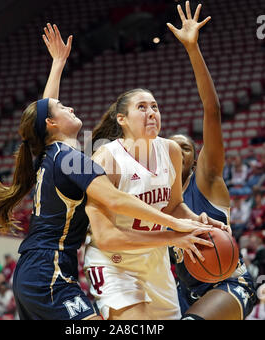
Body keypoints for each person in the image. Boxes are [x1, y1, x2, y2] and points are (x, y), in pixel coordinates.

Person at [0, 23, 214, 321]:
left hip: (39, 269)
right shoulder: (73, 160)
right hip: (49, 270)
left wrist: (58, 64)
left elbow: (44, 113)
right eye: (63, 107)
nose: (71, 107)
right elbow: (117, 201)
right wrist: (173, 227)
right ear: (52, 124)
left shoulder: (53, 153)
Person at [83, 3, 228, 320]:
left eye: (156, 107)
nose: (152, 113)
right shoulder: (106, 158)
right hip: (113, 261)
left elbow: (174, 205)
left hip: (156, 260)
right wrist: (177, 234)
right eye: (142, 108)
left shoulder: (171, 150)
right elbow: (107, 238)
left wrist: (197, 222)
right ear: (122, 118)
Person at [168, 1, 256, 320]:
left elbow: (212, 112)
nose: (178, 150)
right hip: (183, 292)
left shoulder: (207, 181)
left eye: (186, 148)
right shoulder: (158, 201)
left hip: (229, 283)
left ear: (195, 159)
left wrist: (192, 49)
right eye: (172, 146)